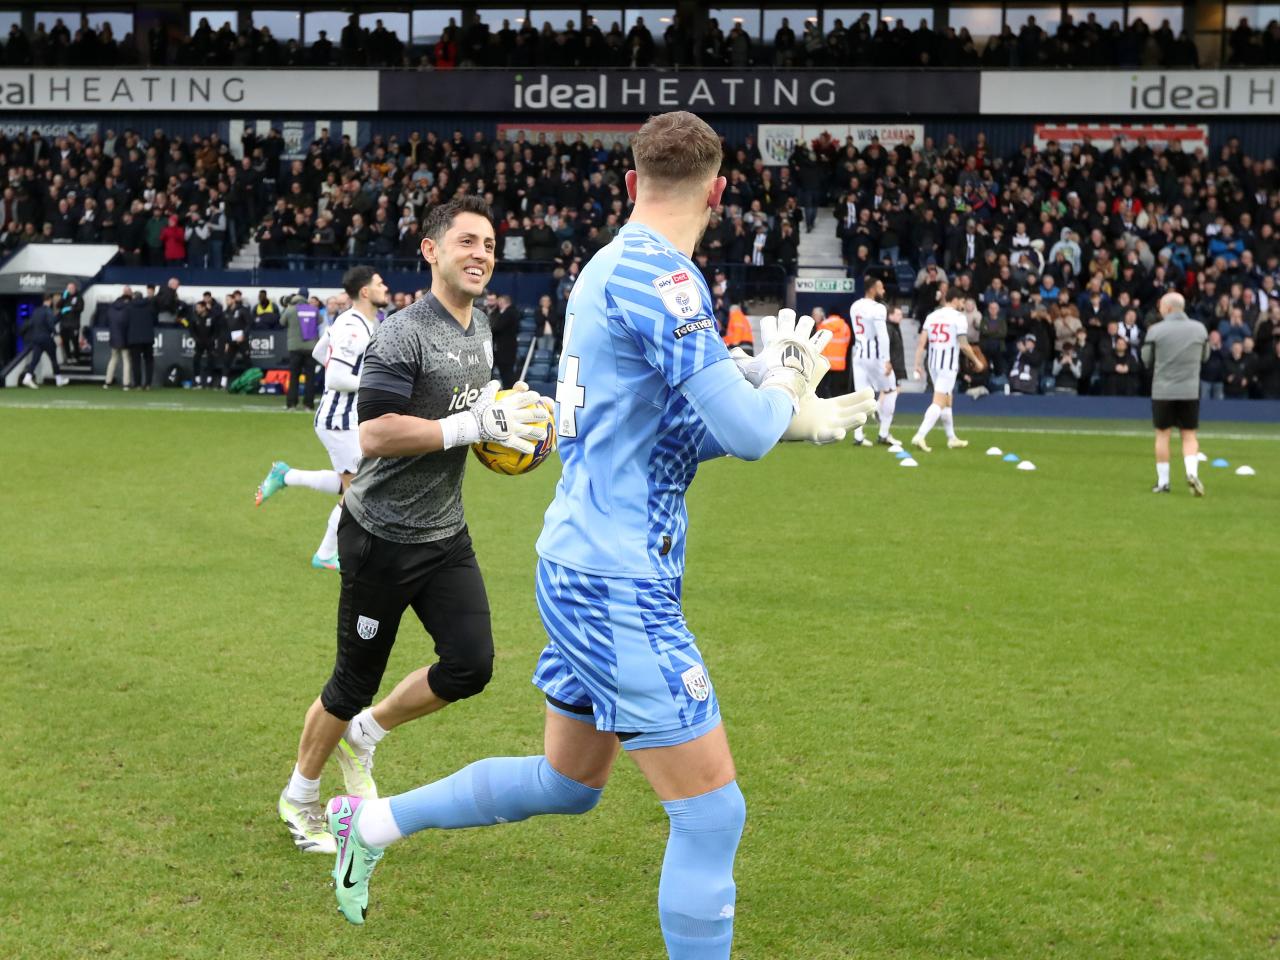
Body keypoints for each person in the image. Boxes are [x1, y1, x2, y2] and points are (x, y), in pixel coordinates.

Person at [319, 112, 875, 955]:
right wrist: (789, 384)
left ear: (629, 186)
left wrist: (773, 403)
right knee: (713, 812)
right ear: (719, 192)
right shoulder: (667, 280)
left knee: (568, 781)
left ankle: (374, 821)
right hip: (619, 580)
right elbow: (747, 431)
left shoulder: (602, 271)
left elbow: (666, 434)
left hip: (581, 560)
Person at [274, 200, 550, 856]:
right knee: (349, 684)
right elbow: (373, 431)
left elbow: (474, 411)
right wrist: (467, 427)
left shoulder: (480, 328)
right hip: (378, 536)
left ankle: (363, 737)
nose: (481, 253)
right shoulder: (402, 333)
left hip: (444, 532)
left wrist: (508, 417)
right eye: (466, 241)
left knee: (471, 665)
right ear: (431, 251)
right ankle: (300, 795)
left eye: (489, 242)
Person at [257, 268, 389, 571]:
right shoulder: (354, 327)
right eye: (380, 283)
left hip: (348, 418)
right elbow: (336, 377)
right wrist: (375, 384)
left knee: (352, 485)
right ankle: (326, 553)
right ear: (366, 292)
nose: (386, 287)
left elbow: (319, 351)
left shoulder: (360, 322)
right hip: (339, 419)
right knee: (359, 490)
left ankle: (286, 476)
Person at [1141, 292, 1209, 496]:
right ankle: (1192, 473)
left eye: (1161, 306)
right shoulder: (1199, 329)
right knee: (1189, 435)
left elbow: (1146, 360)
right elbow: (1205, 356)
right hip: (1189, 390)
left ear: (1168, 308)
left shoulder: (1156, 331)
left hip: (1163, 391)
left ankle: (1163, 482)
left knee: (1163, 435)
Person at [911, 290, 984, 452]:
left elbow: (922, 343)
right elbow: (964, 345)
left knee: (947, 400)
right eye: (962, 301)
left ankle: (951, 438)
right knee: (939, 401)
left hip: (933, 363)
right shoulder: (959, 318)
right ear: (956, 300)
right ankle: (920, 435)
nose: (963, 305)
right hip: (947, 365)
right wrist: (977, 361)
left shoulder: (932, 316)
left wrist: (917, 363)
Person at [849, 271, 899, 446]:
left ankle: (858, 436)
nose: (883, 290)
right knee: (892, 390)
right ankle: (883, 432)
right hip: (875, 357)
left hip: (859, 355)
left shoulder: (854, 306)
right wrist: (886, 359)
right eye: (880, 287)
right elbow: (882, 335)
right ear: (872, 290)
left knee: (860, 397)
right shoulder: (878, 308)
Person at [281, 286, 321, 411]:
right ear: (307, 296)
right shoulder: (313, 309)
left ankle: (291, 404)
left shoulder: (291, 309)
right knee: (310, 377)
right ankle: (308, 405)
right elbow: (320, 320)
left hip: (295, 347)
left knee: (294, 377)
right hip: (311, 347)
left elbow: (282, 322)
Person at [19, 294, 69, 388]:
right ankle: (59, 380)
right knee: (53, 359)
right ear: (49, 301)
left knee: (35, 359)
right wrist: (61, 314)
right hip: (46, 338)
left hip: (36, 338)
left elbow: (31, 323)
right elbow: (51, 323)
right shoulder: (48, 311)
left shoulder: (36, 311)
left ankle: (27, 377)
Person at [813, 307, 850, 400]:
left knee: (822, 387)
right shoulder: (845, 326)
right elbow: (847, 341)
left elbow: (818, 340)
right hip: (839, 363)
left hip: (824, 362)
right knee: (836, 389)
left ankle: (822, 403)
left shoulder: (822, 325)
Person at [103, 287, 133, 390]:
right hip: (125, 337)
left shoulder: (112, 307)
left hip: (114, 337)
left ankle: (107, 381)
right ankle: (126, 383)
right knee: (126, 360)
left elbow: (107, 321)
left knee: (113, 359)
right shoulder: (129, 307)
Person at [127, 288, 157, 389]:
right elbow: (155, 320)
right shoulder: (150, 306)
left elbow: (125, 322)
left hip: (134, 338)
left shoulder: (129, 307)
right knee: (149, 361)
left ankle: (137, 384)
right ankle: (148, 384)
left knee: (136, 362)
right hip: (148, 338)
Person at [57, 281, 85, 364]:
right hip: (64, 324)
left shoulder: (79, 297)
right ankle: (68, 357)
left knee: (75, 342)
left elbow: (80, 308)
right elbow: (58, 306)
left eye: (71, 288)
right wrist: (63, 298)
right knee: (65, 342)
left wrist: (70, 308)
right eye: (68, 288)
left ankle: (76, 357)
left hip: (74, 324)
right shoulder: (65, 296)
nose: (70, 290)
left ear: (75, 288)